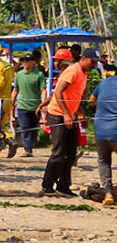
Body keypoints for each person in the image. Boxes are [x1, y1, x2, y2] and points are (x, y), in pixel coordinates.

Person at [38, 48, 97, 197]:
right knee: (59, 152)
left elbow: (74, 96)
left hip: (70, 115)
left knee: (71, 153)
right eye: (92, 62)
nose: (94, 65)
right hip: (57, 114)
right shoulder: (73, 71)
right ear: (83, 58)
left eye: (96, 62)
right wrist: (65, 114)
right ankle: (47, 186)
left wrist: (78, 113)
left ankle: (63, 185)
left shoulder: (83, 74)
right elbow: (58, 93)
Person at [89, 70, 117, 206]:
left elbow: (92, 100)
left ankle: (108, 193)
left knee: (104, 161)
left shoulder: (104, 83)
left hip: (101, 129)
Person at [11, 52, 46, 158]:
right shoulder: (19, 75)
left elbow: (43, 90)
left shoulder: (39, 75)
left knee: (34, 127)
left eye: (27, 61)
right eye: (24, 61)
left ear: (33, 62)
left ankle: (31, 145)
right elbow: (15, 90)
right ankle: (28, 149)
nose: (25, 63)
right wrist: (12, 104)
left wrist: (42, 104)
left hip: (35, 106)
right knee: (25, 127)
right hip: (22, 105)